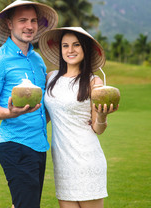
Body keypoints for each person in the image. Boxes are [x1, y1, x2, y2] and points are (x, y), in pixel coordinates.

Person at [0, 0, 58, 208]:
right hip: (16, 146)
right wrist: (9, 112)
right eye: (22, 20)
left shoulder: (37, 60)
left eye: (33, 21)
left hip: (39, 146)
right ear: (9, 24)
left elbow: (41, 109)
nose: (29, 26)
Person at [38, 27, 119, 208]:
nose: (70, 50)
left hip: (86, 159)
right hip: (62, 160)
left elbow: (98, 129)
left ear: (85, 49)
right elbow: (46, 117)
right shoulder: (50, 78)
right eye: (65, 45)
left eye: (76, 45)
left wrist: (103, 115)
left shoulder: (93, 82)